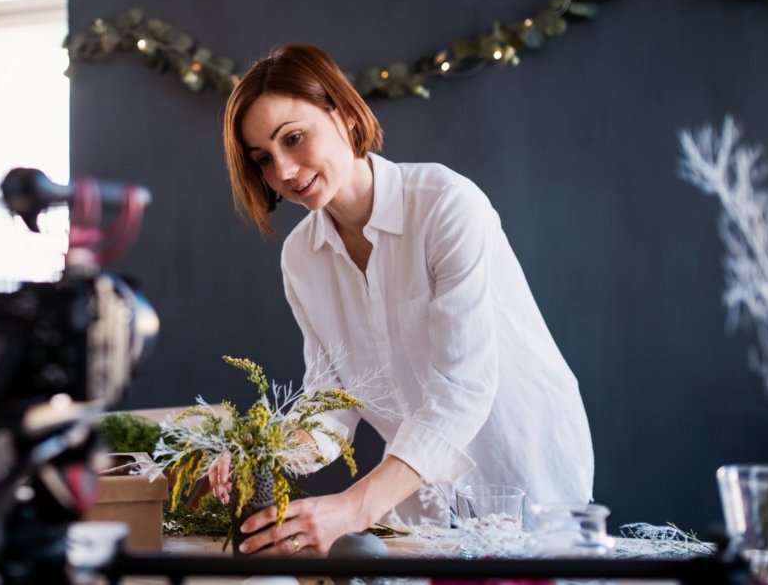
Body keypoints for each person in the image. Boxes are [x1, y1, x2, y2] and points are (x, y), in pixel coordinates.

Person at [211, 44, 594, 557]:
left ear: (344, 114)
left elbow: (462, 388)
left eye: (294, 139)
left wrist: (354, 507)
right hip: (419, 495)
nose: (282, 170)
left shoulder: (445, 204)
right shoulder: (301, 258)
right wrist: (264, 451)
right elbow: (333, 401)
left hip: (525, 468)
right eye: (263, 158)